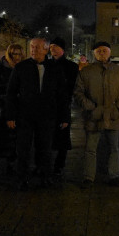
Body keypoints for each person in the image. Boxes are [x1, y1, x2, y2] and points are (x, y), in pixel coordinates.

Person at [6, 37, 69, 190]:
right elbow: (11, 93)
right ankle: (22, 178)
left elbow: (62, 94)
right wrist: (10, 115)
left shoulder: (55, 68)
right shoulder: (21, 67)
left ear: (46, 49)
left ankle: (45, 176)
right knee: (23, 148)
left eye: (37, 47)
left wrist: (64, 116)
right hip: (25, 115)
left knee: (45, 148)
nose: (33, 50)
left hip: (47, 115)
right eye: (32, 47)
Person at [74, 41, 119, 188]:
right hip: (93, 117)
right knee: (90, 148)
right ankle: (88, 177)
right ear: (94, 53)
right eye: (98, 50)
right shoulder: (86, 71)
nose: (102, 53)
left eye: (104, 50)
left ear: (109, 52)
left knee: (114, 148)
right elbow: (78, 93)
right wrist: (91, 107)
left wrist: (118, 107)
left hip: (113, 116)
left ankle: (114, 175)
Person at [0, 44, 23, 177]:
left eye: (19, 54)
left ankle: (10, 164)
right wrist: (8, 89)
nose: (16, 57)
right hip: (0, 108)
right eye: (14, 54)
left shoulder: (22, 68)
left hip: (16, 107)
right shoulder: (1, 66)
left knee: (12, 138)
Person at [48, 37, 79, 175]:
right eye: (51, 47)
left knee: (62, 137)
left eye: (56, 46)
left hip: (63, 105)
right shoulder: (46, 64)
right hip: (48, 106)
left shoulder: (71, 66)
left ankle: (59, 165)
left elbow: (72, 86)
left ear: (63, 49)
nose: (53, 49)